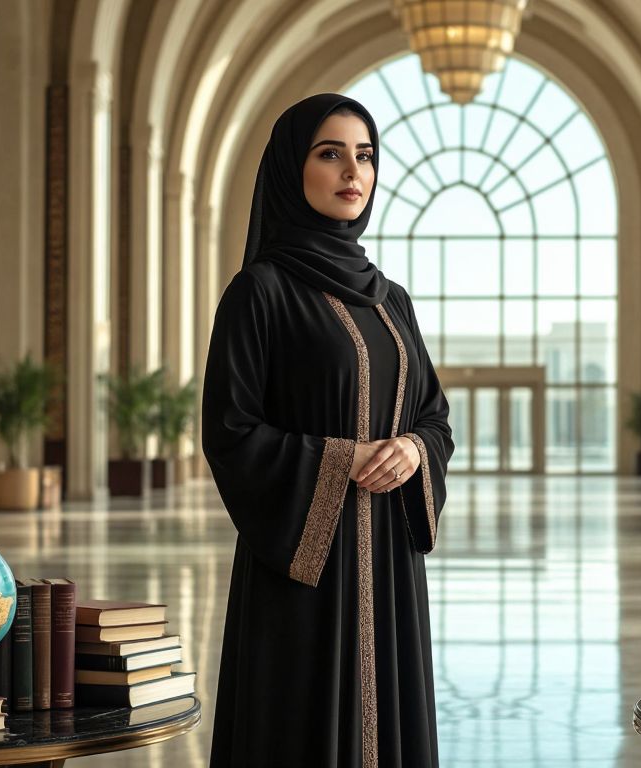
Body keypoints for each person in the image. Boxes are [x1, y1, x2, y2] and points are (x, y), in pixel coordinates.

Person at [201, 93, 453, 768]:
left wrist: (412, 449)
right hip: (303, 571)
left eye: (365, 156)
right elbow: (229, 431)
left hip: (389, 566)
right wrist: (340, 460)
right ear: (292, 167)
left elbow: (434, 413)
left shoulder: (389, 297)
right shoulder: (260, 293)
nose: (352, 172)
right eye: (330, 153)